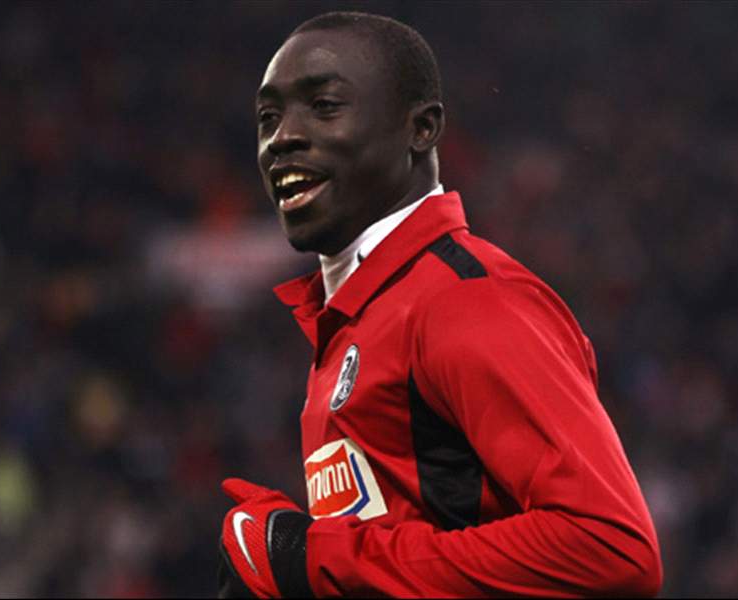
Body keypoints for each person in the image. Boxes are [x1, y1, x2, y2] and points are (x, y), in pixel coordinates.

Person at [218, 11, 663, 598]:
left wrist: (316, 560)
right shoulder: (360, 316)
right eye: (268, 118)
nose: (283, 137)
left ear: (421, 129)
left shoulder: (465, 300)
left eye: (324, 106)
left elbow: (609, 548)